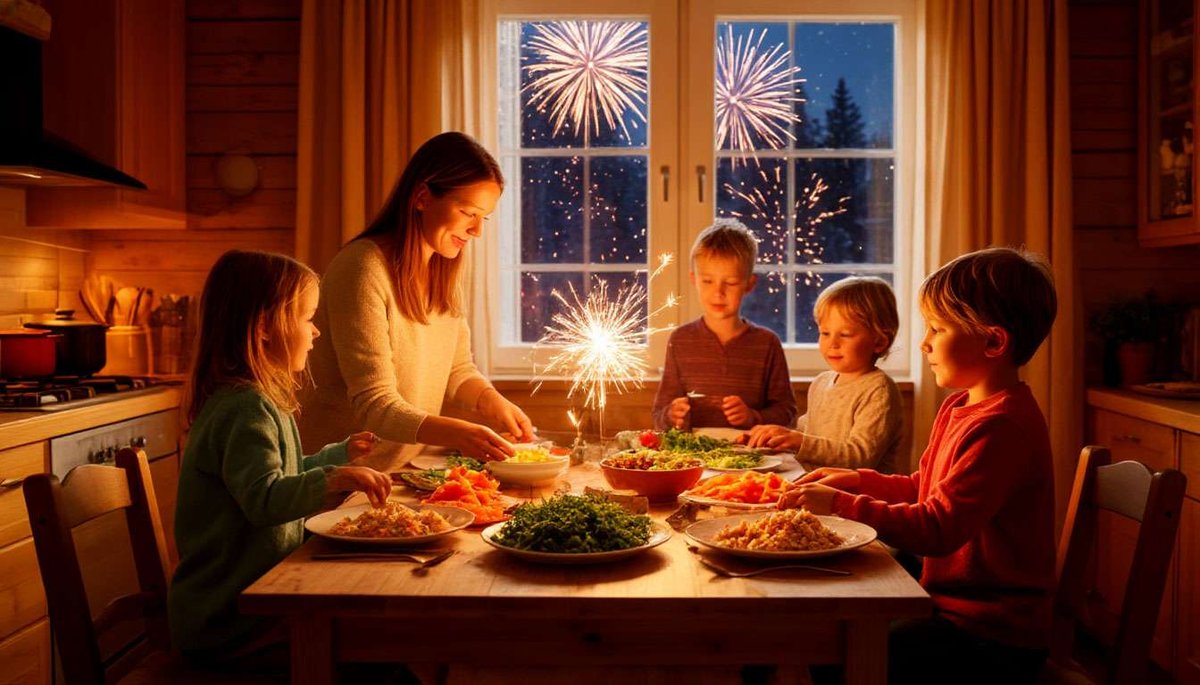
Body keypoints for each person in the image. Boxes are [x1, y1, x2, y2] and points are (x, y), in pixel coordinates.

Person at [781, 247, 1058, 684]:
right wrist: (857, 480)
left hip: (991, 636)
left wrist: (841, 504)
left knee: (832, 652)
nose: (924, 341)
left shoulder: (1004, 427)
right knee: (825, 629)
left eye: (937, 328)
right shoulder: (959, 407)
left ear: (992, 341)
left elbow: (937, 527)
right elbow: (924, 485)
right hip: (949, 607)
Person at [169, 250, 392, 666]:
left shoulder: (257, 401)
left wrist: (337, 455)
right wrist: (335, 477)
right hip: (230, 616)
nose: (316, 332)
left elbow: (281, 475)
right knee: (379, 647)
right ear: (264, 328)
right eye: (307, 318)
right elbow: (264, 499)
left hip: (259, 593)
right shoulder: (244, 408)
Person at [299, 132, 533, 467]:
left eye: (484, 217)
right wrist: (458, 434)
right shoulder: (363, 269)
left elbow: (457, 369)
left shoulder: (442, 272)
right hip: (335, 478)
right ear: (422, 197)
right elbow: (375, 404)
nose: (477, 230)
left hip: (391, 473)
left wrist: (489, 399)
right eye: (468, 212)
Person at [741, 276, 903, 472]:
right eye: (825, 333)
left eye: (845, 335)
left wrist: (799, 441)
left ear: (879, 342)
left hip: (860, 497)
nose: (832, 343)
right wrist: (773, 438)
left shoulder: (879, 391)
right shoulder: (821, 383)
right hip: (816, 487)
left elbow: (861, 456)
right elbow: (806, 438)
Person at [651, 218, 796, 431]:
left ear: (749, 284)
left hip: (750, 458)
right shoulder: (680, 340)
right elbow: (659, 413)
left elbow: (787, 414)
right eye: (708, 281)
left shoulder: (767, 344)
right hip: (693, 457)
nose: (718, 292)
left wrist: (752, 417)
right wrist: (672, 416)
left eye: (730, 282)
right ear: (694, 280)